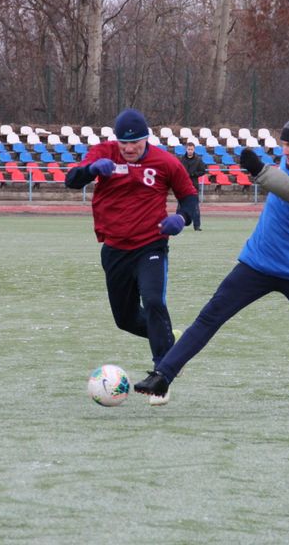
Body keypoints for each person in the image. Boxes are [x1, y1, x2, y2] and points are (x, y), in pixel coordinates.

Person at [134, 112, 289, 413]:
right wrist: (265, 170)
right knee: (210, 316)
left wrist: (259, 170)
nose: (287, 151)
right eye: (284, 143)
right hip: (257, 262)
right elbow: (284, 179)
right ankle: (164, 375)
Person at [65, 108, 199, 405]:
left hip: (151, 245)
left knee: (153, 301)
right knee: (124, 319)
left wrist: (182, 219)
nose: (128, 149)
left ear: (146, 138)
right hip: (114, 249)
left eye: (135, 143)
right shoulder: (103, 153)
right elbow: (71, 180)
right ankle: (170, 341)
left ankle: (162, 376)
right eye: (123, 143)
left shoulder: (166, 162)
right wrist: (90, 170)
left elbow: (189, 196)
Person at [178, 142, 206, 230]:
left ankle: (197, 226)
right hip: (182, 185)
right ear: (186, 149)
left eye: (191, 149)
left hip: (193, 186)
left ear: (194, 150)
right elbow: (177, 170)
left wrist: (194, 174)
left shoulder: (198, 160)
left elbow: (203, 171)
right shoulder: (181, 159)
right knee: (180, 206)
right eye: (188, 149)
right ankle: (178, 225)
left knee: (195, 206)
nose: (190, 151)